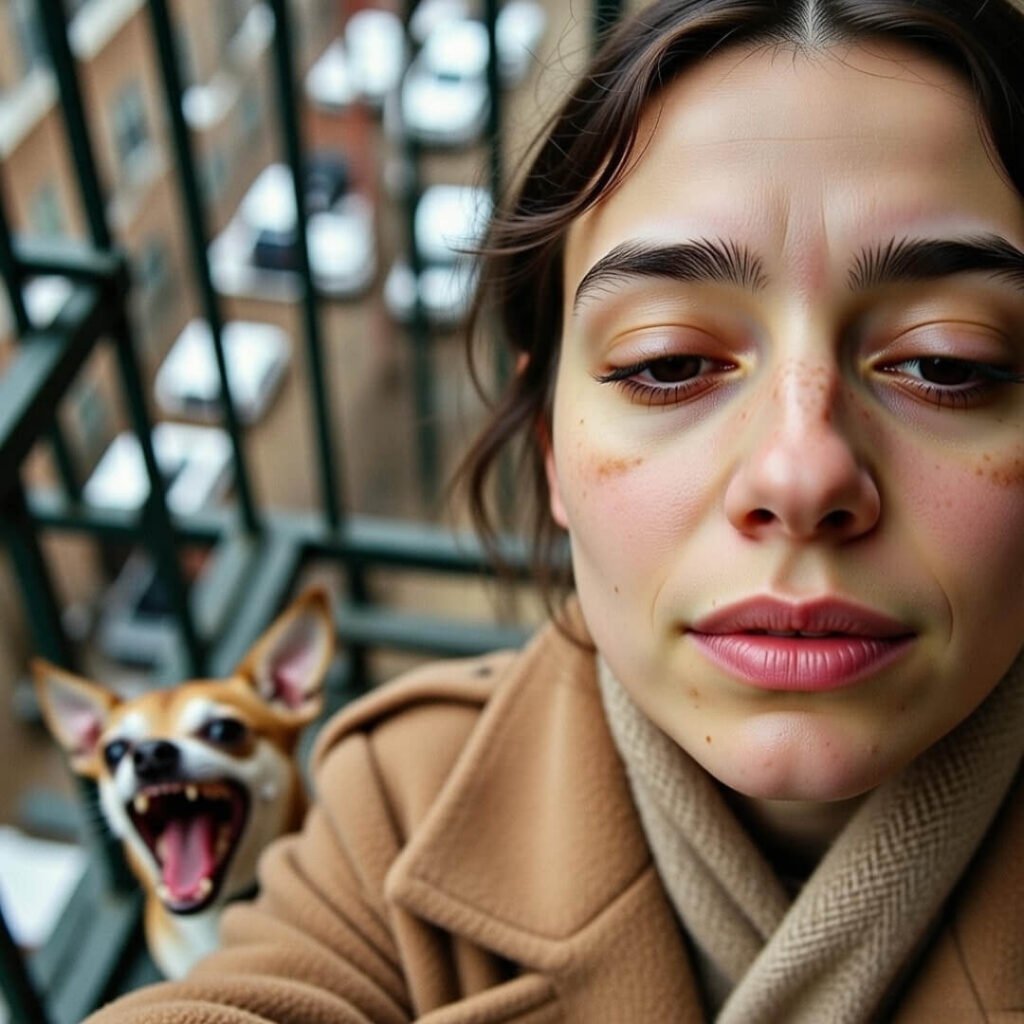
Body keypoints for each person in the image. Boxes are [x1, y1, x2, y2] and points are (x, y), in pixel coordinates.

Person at [88, 0, 1024, 1020]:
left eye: (946, 363)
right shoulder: (391, 810)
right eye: (667, 363)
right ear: (550, 447)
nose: (799, 475)